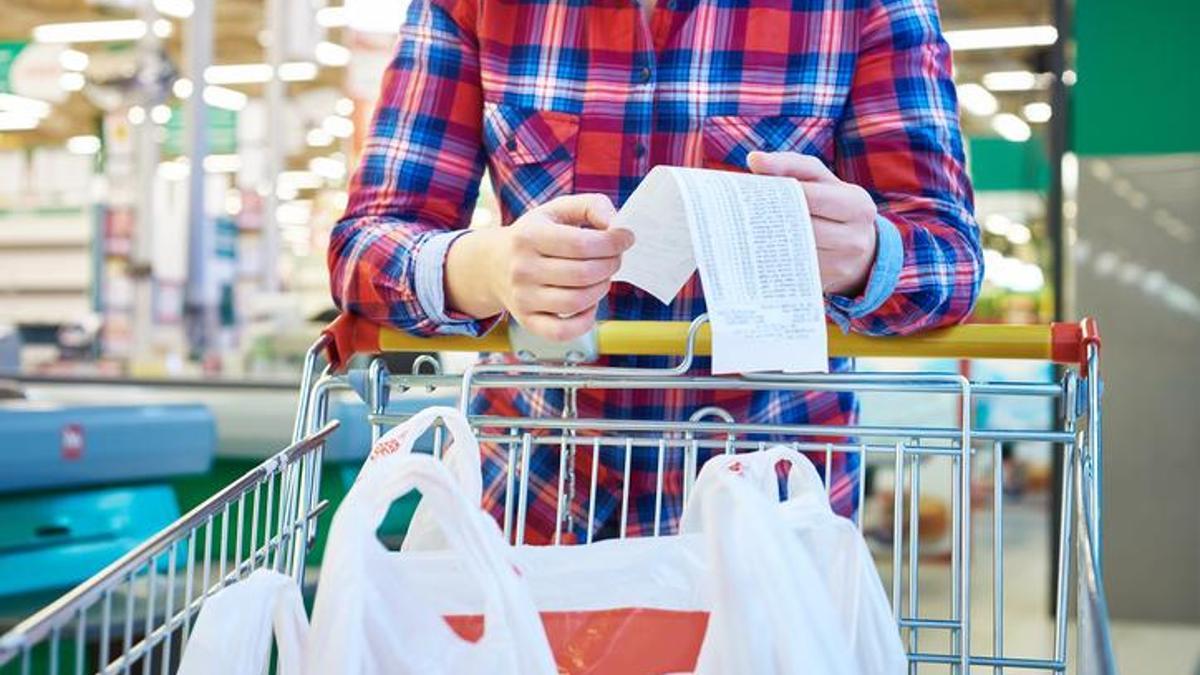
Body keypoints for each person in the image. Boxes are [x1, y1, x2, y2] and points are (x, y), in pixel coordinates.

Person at [330, 0, 982, 542]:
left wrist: (866, 256)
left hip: (764, 520)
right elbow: (365, 244)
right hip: (532, 505)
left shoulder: (862, 9)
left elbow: (949, 255)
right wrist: (485, 267)